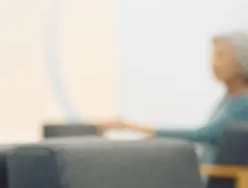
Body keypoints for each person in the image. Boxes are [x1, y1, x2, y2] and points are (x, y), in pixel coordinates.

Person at [99, 31, 248, 164]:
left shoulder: (243, 103)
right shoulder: (228, 100)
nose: (213, 63)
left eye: (220, 55)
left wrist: (133, 127)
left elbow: (204, 134)